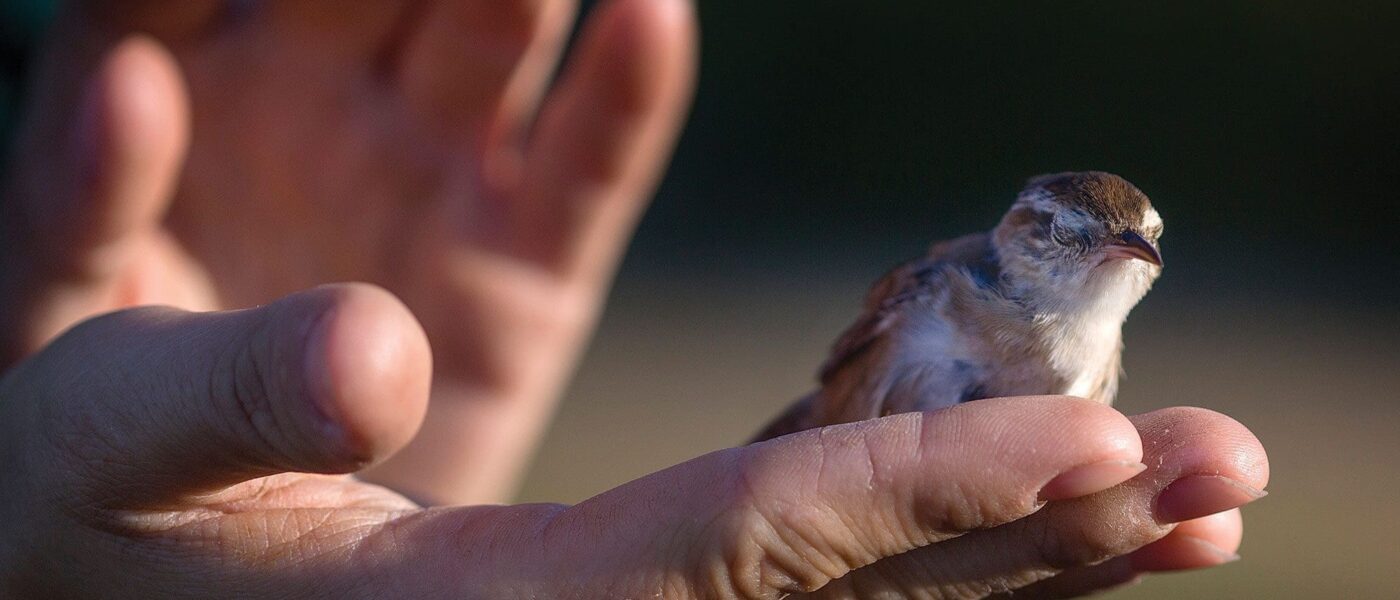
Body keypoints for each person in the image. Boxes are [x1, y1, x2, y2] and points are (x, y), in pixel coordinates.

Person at [0, 1, 1268, 597]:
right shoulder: (936, 292)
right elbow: (826, 395)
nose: (1121, 258)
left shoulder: (1093, 385)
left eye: (1140, 247)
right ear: (1019, 238)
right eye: (1074, 238)